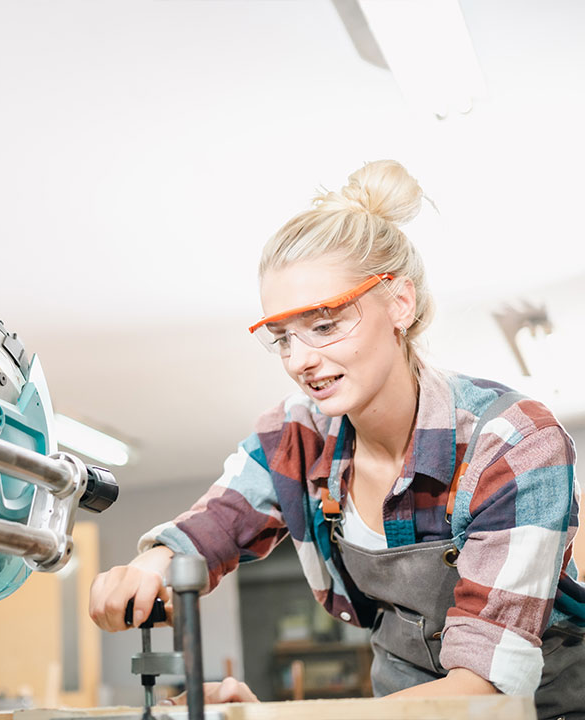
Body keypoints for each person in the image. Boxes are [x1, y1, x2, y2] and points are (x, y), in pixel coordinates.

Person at [88, 160, 585, 719]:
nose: (299, 361)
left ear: (400, 303)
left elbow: (486, 691)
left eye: (324, 325)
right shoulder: (298, 435)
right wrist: (154, 563)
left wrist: (269, 718)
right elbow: (216, 526)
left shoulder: (515, 445)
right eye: (282, 337)